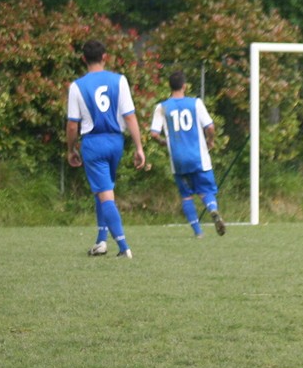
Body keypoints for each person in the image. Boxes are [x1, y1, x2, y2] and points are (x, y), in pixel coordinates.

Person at [66, 39, 148, 259]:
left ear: (83, 59)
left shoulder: (77, 86)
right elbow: (129, 116)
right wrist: (139, 147)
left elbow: (72, 125)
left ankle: (123, 247)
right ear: (104, 57)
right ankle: (101, 241)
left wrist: (71, 149)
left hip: (93, 143)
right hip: (115, 142)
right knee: (103, 190)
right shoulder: (119, 80)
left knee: (105, 194)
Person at [149, 70, 227, 238]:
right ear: (184, 86)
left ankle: (198, 232)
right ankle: (213, 210)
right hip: (198, 156)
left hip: (178, 159)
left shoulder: (162, 107)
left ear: (170, 86)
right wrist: (210, 140)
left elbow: (154, 134)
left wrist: (164, 142)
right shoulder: (196, 103)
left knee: (186, 195)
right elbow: (210, 126)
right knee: (206, 190)